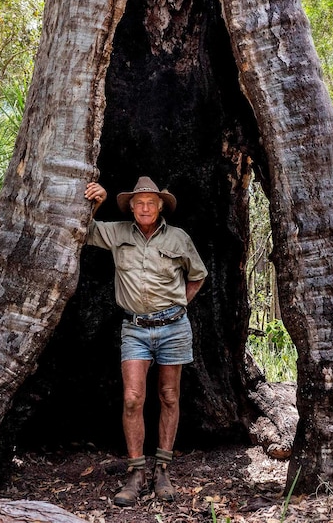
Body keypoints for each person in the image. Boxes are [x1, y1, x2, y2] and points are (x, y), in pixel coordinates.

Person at [84, 176, 207, 507]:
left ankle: (162, 471)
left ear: (161, 206)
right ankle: (137, 473)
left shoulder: (179, 238)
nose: (144, 208)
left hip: (174, 328)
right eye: (138, 203)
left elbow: (198, 275)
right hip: (135, 329)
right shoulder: (119, 233)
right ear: (132, 207)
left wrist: (178, 304)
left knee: (169, 396)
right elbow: (83, 230)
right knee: (132, 398)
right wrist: (97, 201)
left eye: (150, 202)